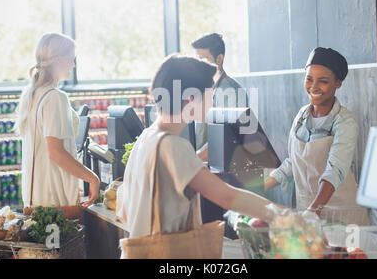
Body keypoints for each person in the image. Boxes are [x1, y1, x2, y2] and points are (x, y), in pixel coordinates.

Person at [116, 55, 287, 238]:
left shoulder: (146, 138)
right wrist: (283, 214)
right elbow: (227, 197)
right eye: (210, 92)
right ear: (191, 98)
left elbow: (124, 210)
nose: (212, 100)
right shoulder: (173, 145)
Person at [264, 47, 368, 224]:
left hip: (342, 217)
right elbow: (294, 161)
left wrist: (314, 210)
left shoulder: (345, 122)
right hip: (308, 213)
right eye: (309, 79)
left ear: (338, 83)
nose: (313, 87)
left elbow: (335, 170)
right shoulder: (301, 116)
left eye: (323, 81)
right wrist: (260, 187)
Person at [16, 33, 100, 208]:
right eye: (70, 59)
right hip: (54, 199)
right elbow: (56, 153)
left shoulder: (31, 94)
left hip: (35, 199)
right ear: (57, 60)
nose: (73, 64)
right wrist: (93, 178)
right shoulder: (56, 97)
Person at [191, 33, 249, 161]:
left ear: (219, 59)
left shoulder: (233, 92)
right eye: (197, 60)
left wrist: (191, 161)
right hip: (202, 166)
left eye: (203, 59)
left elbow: (226, 138)